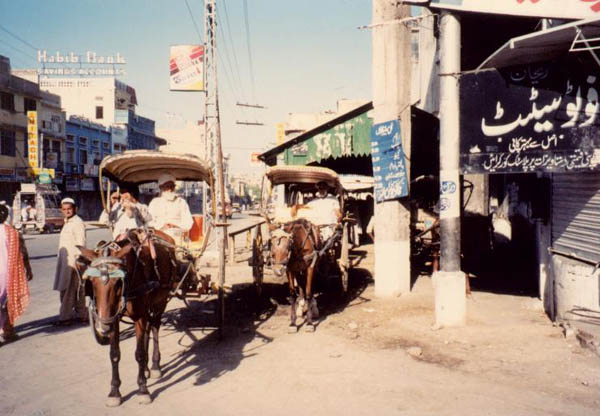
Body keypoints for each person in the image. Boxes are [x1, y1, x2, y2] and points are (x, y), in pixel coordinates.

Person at [0, 204, 33, 344]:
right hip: (8, 273)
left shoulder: (12, 232)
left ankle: (5, 330)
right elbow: (22, 252)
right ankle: (6, 331)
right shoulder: (12, 232)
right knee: (8, 302)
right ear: (7, 216)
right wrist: (28, 269)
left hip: (6, 273)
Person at [52, 198, 87, 326]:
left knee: (69, 290)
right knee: (75, 289)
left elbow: (80, 243)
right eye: (64, 209)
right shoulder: (68, 222)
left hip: (73, 262)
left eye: (69, 209)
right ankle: (82, 315)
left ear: (75, 209)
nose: (67, 211)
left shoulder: (77, 223)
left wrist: (78, 260)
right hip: (65, 262)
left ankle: (65, 317)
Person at [148, 173, 193, 244]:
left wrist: (175, 226)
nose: (170, 189)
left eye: (172, 186)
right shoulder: (154, 202)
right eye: (167, 186)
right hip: (158, 235)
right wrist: (161, 227)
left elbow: (188, 222)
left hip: (177, 235)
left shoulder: (181, 202)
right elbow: (149, 222)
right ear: (161, 187)